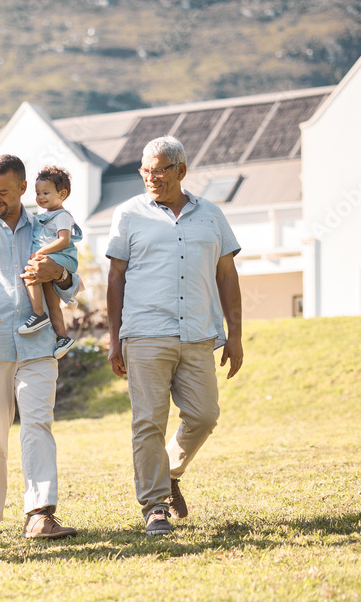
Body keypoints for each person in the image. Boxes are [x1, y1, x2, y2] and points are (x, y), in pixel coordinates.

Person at [105, 136, 243, 536]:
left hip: (198, 332)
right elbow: (115, 277)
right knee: (148, 421)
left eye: (160, 169)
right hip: (145, 333)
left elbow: (226, 275)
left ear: (181, 171)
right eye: (145, 170)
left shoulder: (212, 215)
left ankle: (170, 474)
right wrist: (114, 339)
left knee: (204, 415)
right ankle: (154, 506)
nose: (151, 177)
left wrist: (235, 335)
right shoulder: (127, 214)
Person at [0, 153, 82, 539]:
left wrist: (57, 272)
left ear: (23, 188)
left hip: (39, 344)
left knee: (38, 424)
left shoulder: (47, 225)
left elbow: (71, 283)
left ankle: (40, 514)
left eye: (4, 192)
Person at [17, 166, 82, 360]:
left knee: (31, 273)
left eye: (46, 192)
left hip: (62, 256)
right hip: (54, 257)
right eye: (38, 193)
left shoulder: (62, 215)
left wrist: (41, 252)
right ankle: (62, 337)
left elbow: (64, 240)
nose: (41, 197)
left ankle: (38, 314)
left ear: (62, 194)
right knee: (52, 303)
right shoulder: (43, 216)